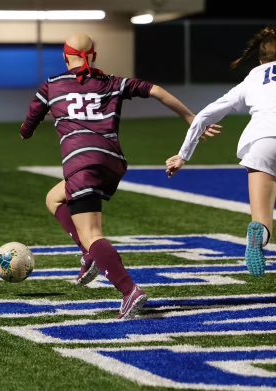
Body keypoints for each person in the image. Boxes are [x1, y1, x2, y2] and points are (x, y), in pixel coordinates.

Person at [21, 32, 220, 319]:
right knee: (54, 198)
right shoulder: (111, 82)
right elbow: (156, 91)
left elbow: (30, 123)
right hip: (111, 162)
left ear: (66, 56)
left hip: (82, 164)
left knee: (92, 234)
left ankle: (129, 290)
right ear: (94, 56)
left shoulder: (52, 85)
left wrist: (26, 131)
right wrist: (191, 118)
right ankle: (90, 255)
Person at [165, 25, 276, 278]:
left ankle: (258, 232)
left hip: (262, 142)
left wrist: (183, 155)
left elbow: (204, 115)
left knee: (262, 217)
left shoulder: (252, 78)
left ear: (260, 59)